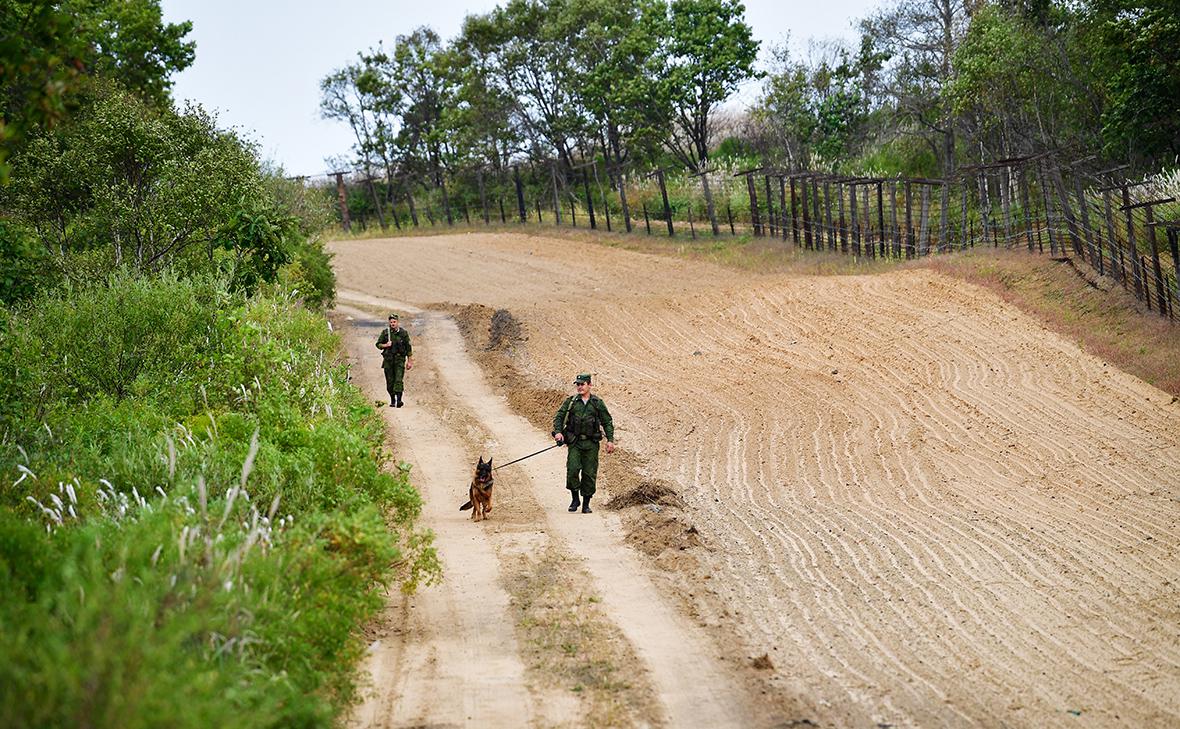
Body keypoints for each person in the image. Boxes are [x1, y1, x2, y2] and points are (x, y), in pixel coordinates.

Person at [552, 373, 615, 513]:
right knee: (573, 470)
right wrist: (558, 432)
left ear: (589, 385)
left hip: (591, 444)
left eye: (582, 384)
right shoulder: (571, 402)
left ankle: (586, 504)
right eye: (578, 384)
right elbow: (559, 416)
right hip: (575, 442)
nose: (579, 387)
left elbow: (607, 422)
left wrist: (610, 440)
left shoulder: (597, 403)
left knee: (589, 473)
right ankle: (575, 499)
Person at [376, 313, 413, 407]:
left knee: (398, 379)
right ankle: (393, 399)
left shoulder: (403, 333)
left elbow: (408, 348)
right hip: (388, 361)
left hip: (399, 360)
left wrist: (410, 361)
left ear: (397, 322)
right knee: (390, 382)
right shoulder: (385, 333)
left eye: (394, 322)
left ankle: (399, 400)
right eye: (391, 322)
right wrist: (385, 345)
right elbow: (378, 344)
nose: (392, 324)